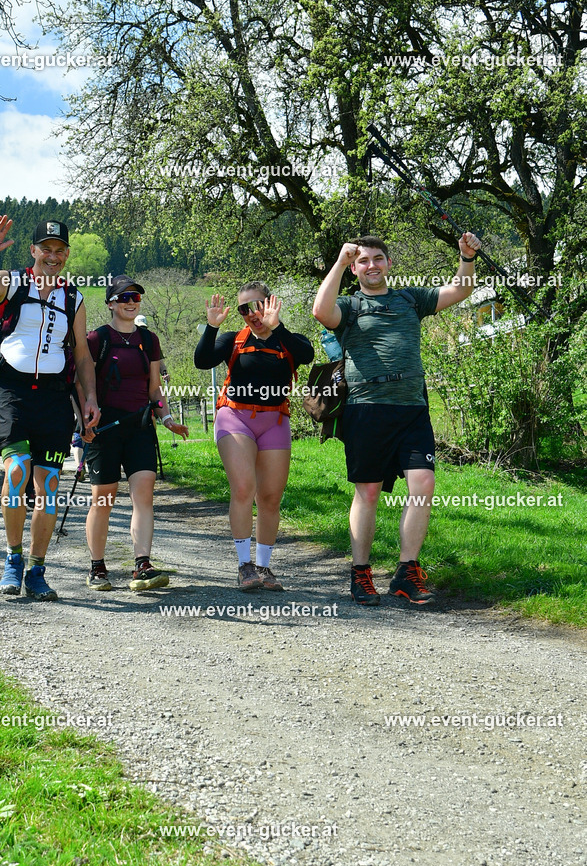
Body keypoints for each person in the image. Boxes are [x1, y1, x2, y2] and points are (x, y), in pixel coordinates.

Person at [312, 232, 480, 608]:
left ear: (388, 263)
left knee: (423, 485)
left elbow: (459, 291)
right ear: (355, 269)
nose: (371, 265)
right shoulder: (349, 305)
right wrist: (339, 262)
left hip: (412, 410)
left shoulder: (410, 298)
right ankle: (361, 573)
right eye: (363, 261)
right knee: (368, 492)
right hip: (367, 409)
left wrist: (466, 257)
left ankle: (407, 573)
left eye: (378, 259)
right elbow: (321, 313)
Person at [0, 215, 100, 599]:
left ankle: (37, 569)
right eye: (46, 249)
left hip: (53, 397)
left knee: (48, 486)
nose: (53, 257)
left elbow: (83, 355)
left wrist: (90, 398)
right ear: (33, 250)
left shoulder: (73, 297)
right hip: (11, 390)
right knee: (18, 470)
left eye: (60, 251)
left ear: (66, 254)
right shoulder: (11, 280)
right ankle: (12, 558)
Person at [194, 282, 314, 591]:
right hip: (235, 417)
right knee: (244, 487)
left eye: (256, 306)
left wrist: (278, 329)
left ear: (271, 304)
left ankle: (263, 567)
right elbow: (202, 360)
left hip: (274, 420)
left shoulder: (287, 341)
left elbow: (307, 353)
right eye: (244, 309)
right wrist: (211, 327)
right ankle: (244, 566)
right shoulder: (232, 340)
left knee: (271, 497)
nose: (251, 314)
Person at [83, 275, 188, 592]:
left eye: (136, 298)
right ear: (111, 303)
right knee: (104, 499)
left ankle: (142, 564)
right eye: (124, 297)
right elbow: (82, 384)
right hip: (105, 427)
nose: (131, 302)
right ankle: (97, 568)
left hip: (141, 425)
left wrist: (167, 418)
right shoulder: (96, 339)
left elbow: (154, 388)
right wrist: (83, 422)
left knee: (144, 493)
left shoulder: (149, 340)